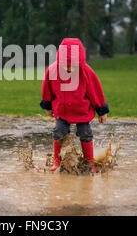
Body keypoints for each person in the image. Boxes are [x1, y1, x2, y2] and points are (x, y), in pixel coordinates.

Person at [40, 38, 109, 173]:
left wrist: (102, 111)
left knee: (85, 133)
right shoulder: (52, 71)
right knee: (58, 132)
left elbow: (96, 91)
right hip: (62, 111)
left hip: (81, 111)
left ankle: (90, 163)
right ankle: (57, 162)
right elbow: (46, 89)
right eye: (66, 66)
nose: (70, 68)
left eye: (73, 66)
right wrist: (48, 106)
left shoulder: (86, 72)